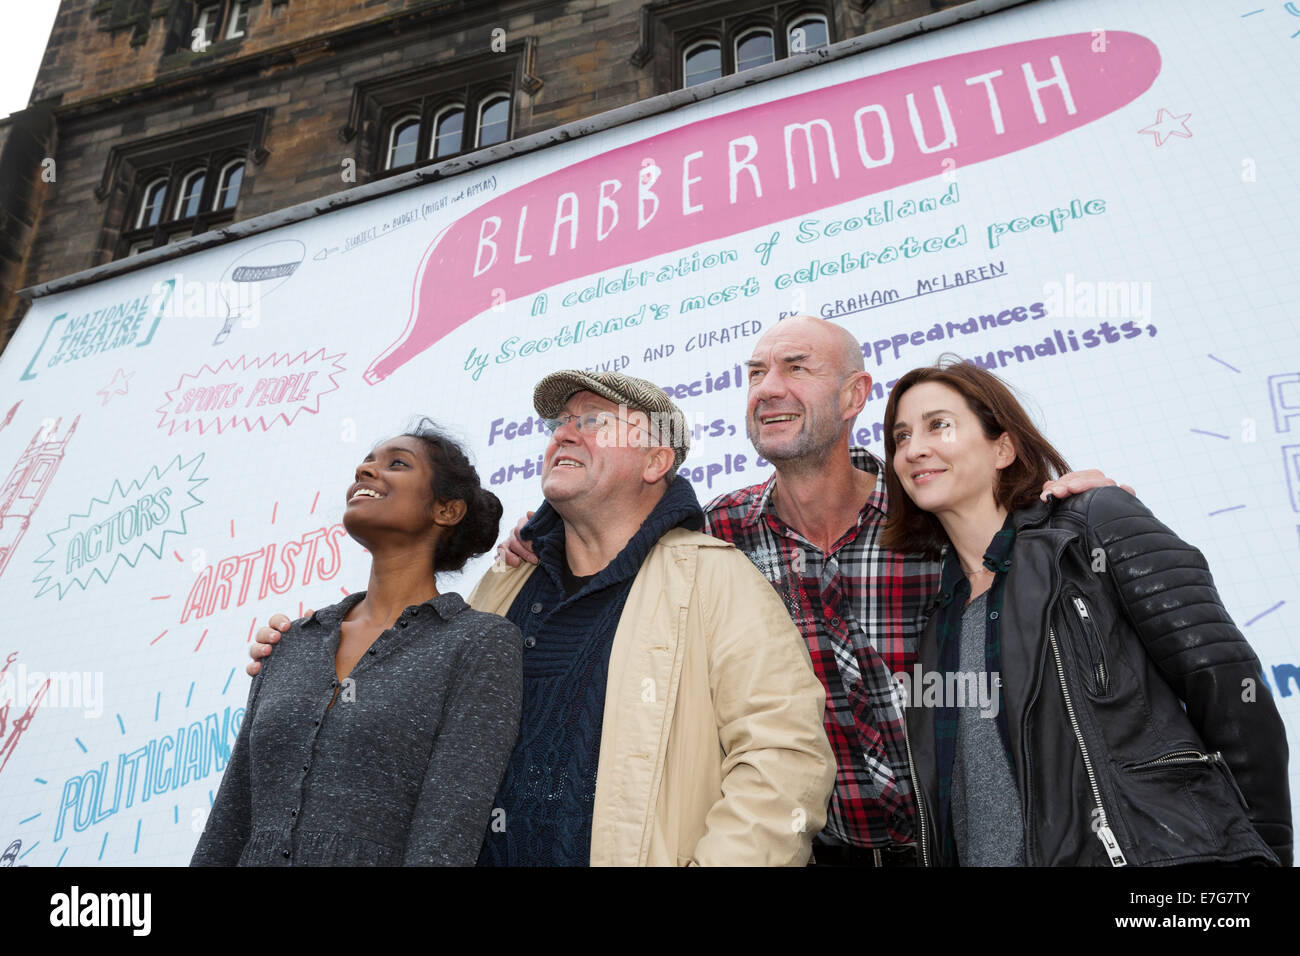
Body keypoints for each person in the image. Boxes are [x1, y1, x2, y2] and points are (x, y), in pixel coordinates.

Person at [495, 315, 1125, 866]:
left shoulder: (935, 514)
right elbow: (614, 536)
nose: (768, 388)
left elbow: (1035, 562)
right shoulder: (715, 538)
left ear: (855, 395)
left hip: (980, 845)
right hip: (821, 855)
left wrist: (1073, 507)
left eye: (796, 367)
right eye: (756, 373)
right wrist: (541, 532)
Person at [248, 371, 836, 866]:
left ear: (656, 460)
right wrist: (305, 662)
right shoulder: (503, 584)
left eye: (593, 421)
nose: (564, 435)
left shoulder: (717, 579)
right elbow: (405, 730)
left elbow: (783, 761)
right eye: (559, 424)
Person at [882, 359, 1292, 866]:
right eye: (900, 436)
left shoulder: (1092, 526)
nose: (913, 448)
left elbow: (1226, 683)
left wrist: (1264, 848)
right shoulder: (937, 620)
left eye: (937, 424)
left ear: (1003, 448)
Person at [193, 421, 521, 866]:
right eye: (366, 462)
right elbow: (231, 814)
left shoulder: (479, 644)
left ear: (447, 510)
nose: (365, 471)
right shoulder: (292, 643)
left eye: (397, 464)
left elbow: (449, 827)